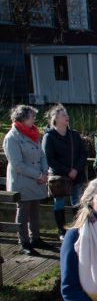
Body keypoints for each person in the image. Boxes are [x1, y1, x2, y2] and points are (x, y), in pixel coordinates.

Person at [3, 105, 51, 256]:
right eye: (31, 116)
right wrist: (38, 175)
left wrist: (45, 172)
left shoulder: (33, 133)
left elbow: (42, 155)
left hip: (37, 179)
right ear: (23, 119)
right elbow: (17, 165)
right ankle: (23, 242)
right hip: (22, 181)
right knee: (23, 212)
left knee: (35, 210)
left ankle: (35, 238)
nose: (34, 119)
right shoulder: (12, 137)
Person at [42, 104, 88, 240]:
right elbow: (49, 159)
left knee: (77, 202)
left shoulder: (74, 134)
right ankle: (61, 230)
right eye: (63, 115)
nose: (67, 117)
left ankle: (78, 228)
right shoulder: (49, 137)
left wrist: (76, 169)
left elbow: (83, 153)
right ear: (55, 119)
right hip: (59, 178)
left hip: (76, 175)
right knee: (59, 203)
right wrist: (67, 171)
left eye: (67, 114)